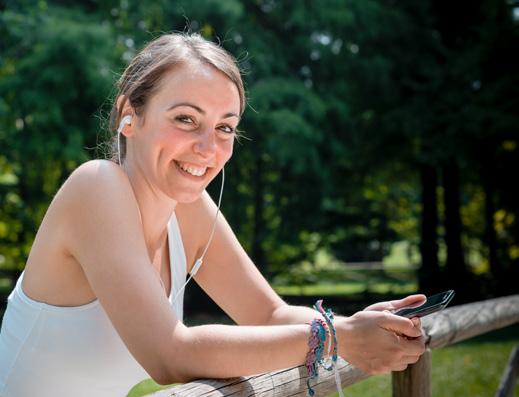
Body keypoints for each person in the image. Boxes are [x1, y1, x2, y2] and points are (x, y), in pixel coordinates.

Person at [0, 33, 426, 397]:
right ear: (130, 115)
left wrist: (361, 326)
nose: (208, 148)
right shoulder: (96, 186)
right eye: (186, 118)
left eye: (225, 127)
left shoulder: (187, 209)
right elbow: (172, 355)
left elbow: (268, 315)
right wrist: (335, 339)